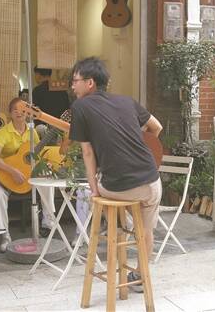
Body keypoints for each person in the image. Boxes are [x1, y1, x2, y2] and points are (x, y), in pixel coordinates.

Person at [68, 57, 162, 293]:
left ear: (90, 82)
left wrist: (94, 190)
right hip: (152, 182)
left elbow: (88, 153)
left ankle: (119, 231)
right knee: (146, 230)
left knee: (97, 194)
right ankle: (140, 277)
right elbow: (157, 127)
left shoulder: (80, 107)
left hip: (120, 187)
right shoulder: (127, 101)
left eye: (75, 80)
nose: (72, 86)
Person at [0, 97, 56, 252]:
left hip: (26, 175)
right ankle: (4, 235)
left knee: (47, 179)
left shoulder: (32, 132)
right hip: (4, 174)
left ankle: (48, 223)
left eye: (23, 110)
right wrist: (12, 171)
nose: (19, 113)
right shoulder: (4, 132)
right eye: (15, 110)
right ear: (10, 113)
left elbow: (35, 155)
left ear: (28, 113)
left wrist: (44, 163)